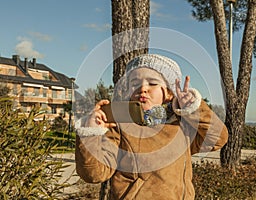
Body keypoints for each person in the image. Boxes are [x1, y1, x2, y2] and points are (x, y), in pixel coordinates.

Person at [75, 54, 228, 199]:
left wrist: (194, 108)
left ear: (169, 92)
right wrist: (90, 132)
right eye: (134, 83)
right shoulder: (120, 126)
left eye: (152, 83)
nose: (142, 88)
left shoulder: (182, 126)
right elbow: (94, 174)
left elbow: (217, 138)